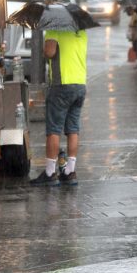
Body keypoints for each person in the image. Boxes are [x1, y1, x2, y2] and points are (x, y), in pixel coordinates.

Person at [30, 29, 88, 186]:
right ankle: (70, 171)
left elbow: (49, 52)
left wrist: (44, 47)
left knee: (54, 130)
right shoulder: (81, 31)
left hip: (62, 84)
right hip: (80, 84)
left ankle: (50, 173)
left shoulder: (54, 30)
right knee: (73, 129)